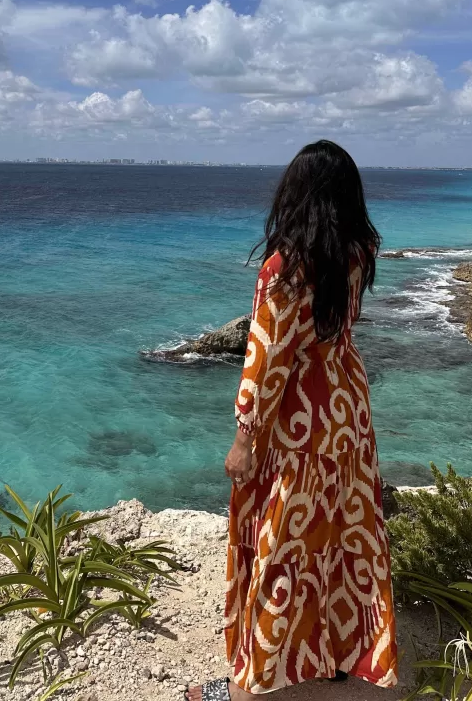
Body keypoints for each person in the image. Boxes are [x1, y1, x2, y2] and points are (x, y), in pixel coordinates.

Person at [186, 141, 398, 701]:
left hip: (298, 423)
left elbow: (266, 359)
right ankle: (333, 654)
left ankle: (249, 686)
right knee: (340, 535)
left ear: (295, 194)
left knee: (281, 546)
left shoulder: (284, 269)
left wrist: (243, 438)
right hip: (348, 413)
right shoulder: (357, 251)